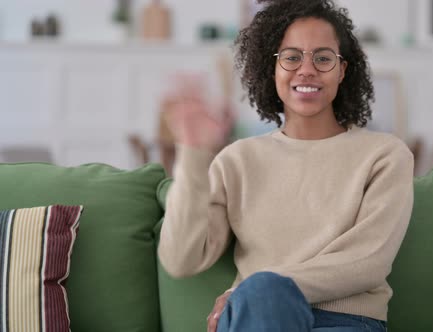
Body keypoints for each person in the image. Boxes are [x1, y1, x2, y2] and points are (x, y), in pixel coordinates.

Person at [157, 0, 414, 331]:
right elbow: (181, 259)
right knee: (264, 296)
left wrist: (248, 289)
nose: (306, 70)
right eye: (291, 57)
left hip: (345, 322)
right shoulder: (237, 161)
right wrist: (193, 152)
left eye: (322, 58)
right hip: (258, 315)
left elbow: (368, 262)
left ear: (342, 70)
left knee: (264, 290)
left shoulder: (385, 155)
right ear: (272, 68)